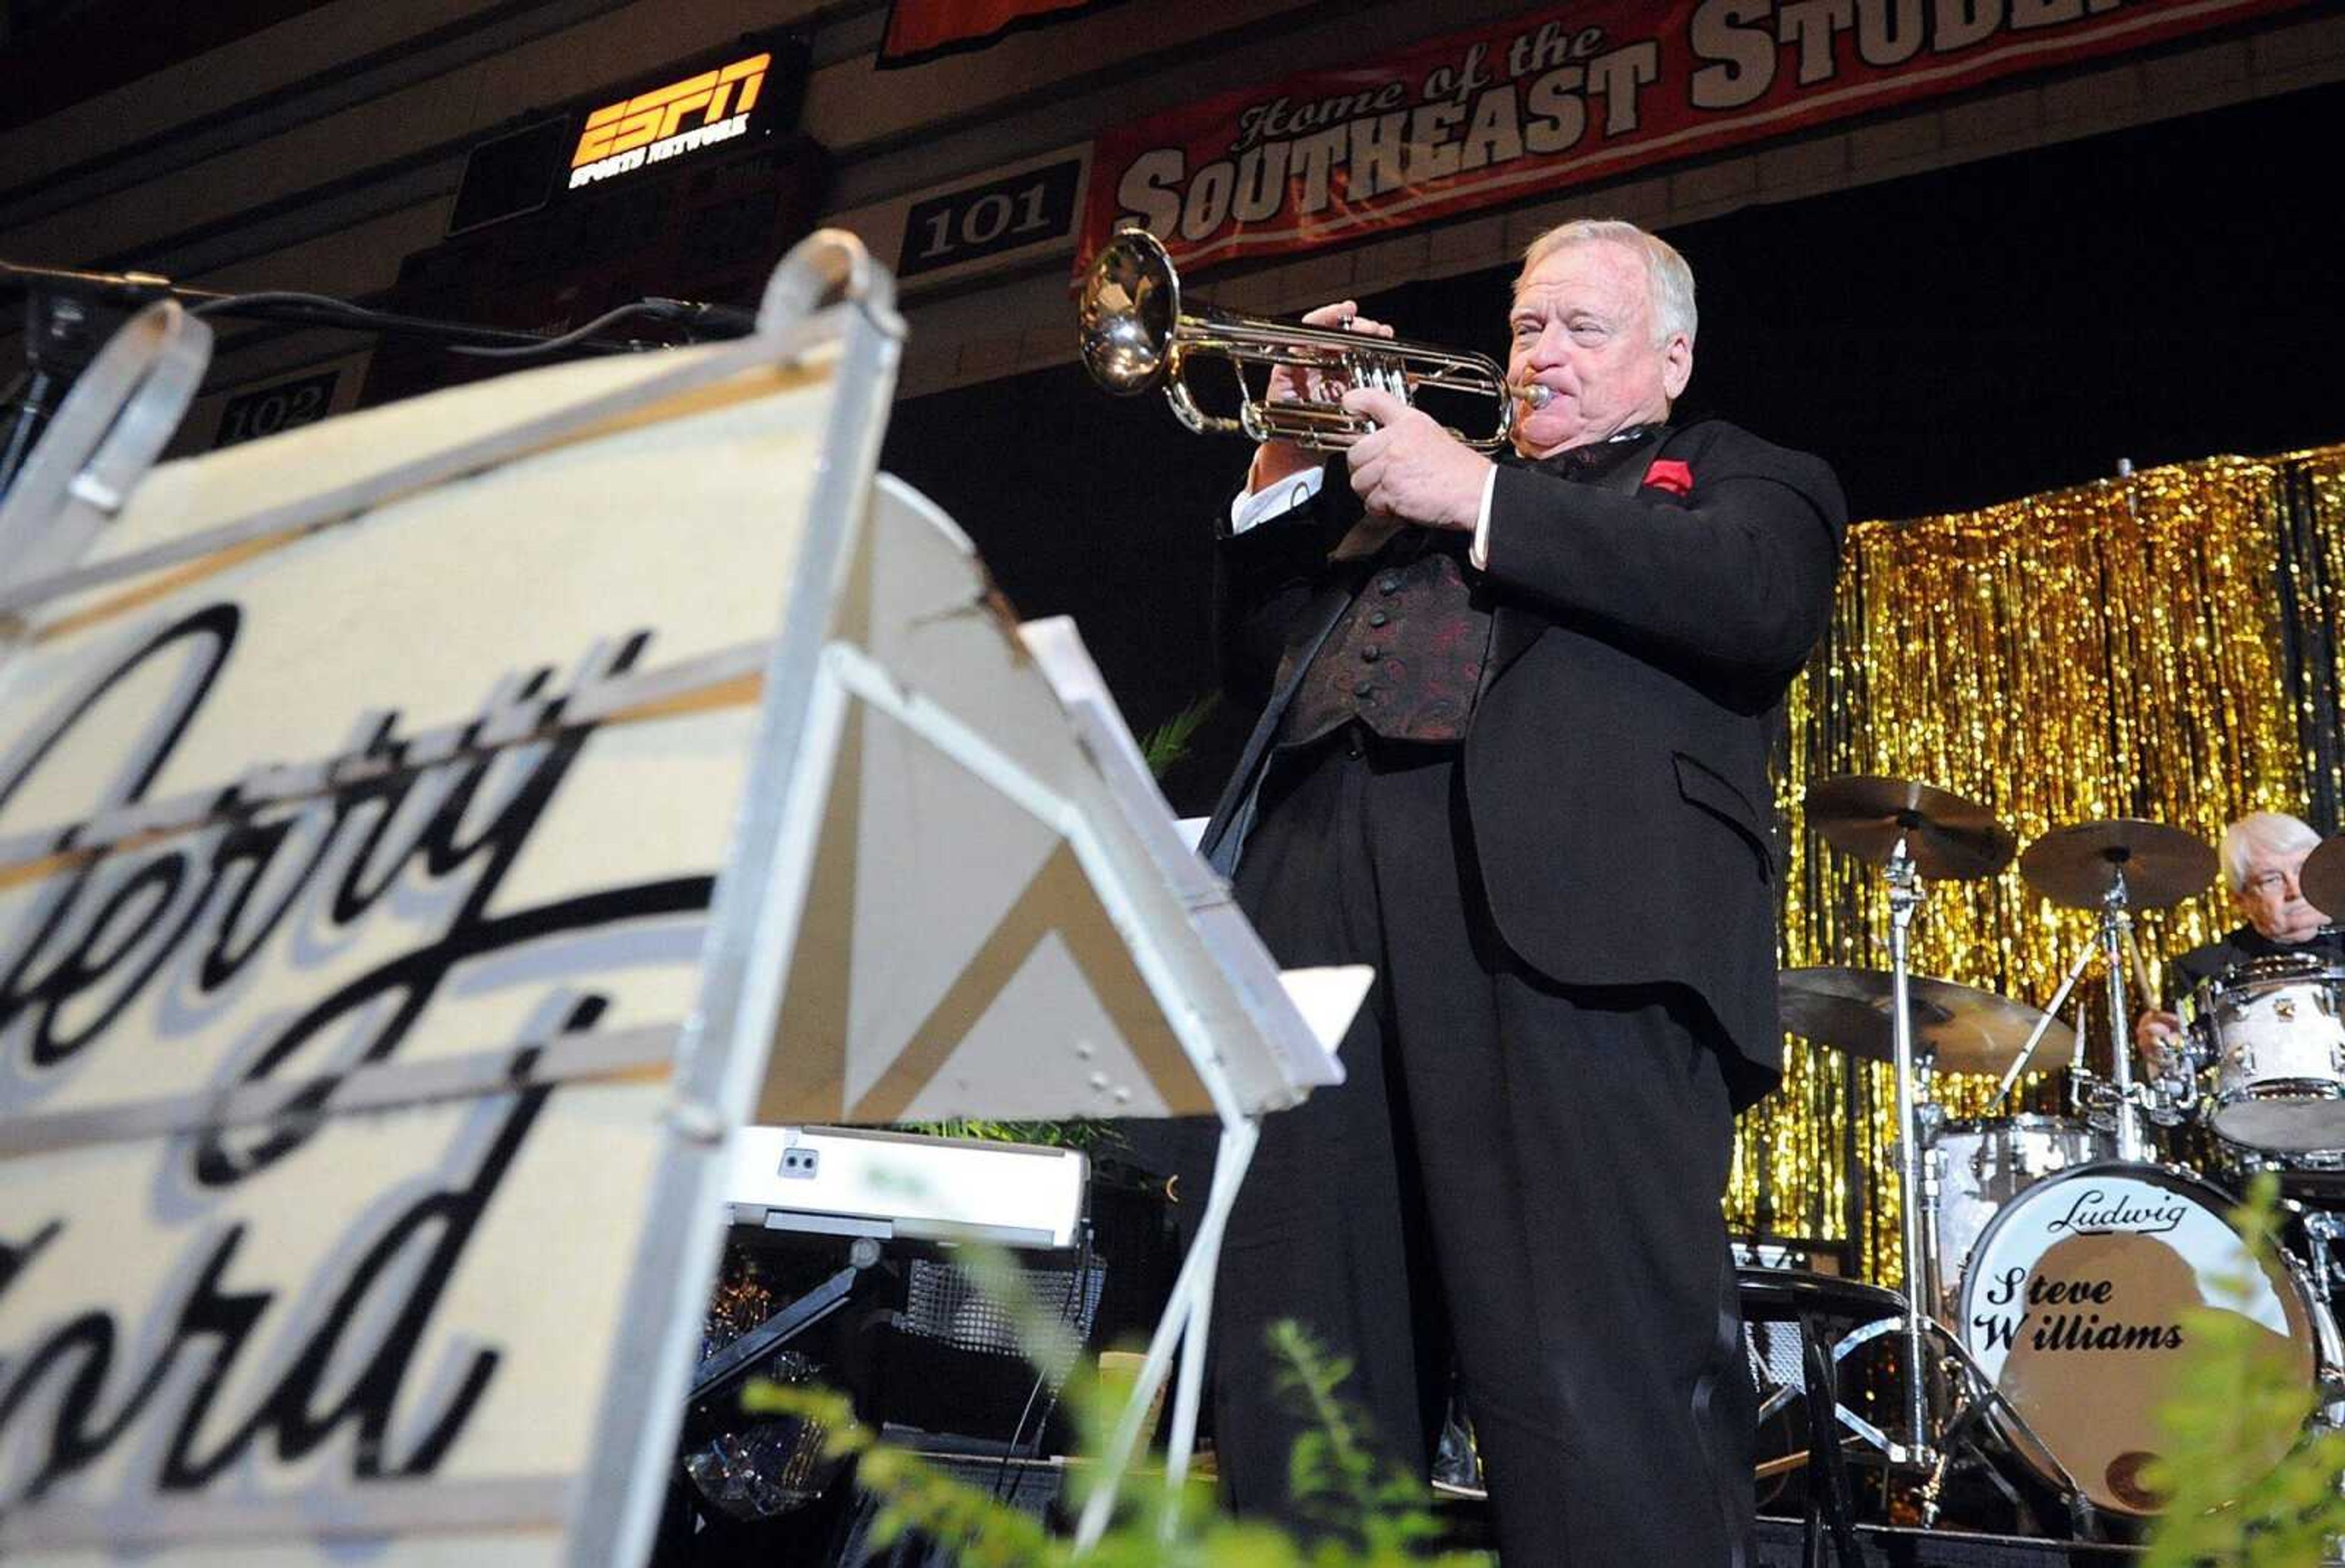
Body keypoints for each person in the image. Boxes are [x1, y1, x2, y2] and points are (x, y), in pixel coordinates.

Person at [1191, 218, 1847, 1564]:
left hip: (1571, 949)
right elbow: (1263, 650)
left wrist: (1478, 497)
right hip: (1315, 926)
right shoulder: (1409, 493)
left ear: (1671, 359)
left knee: (1592, 1381)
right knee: (1308, 1359)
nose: (1540, 352)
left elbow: (1755, 601)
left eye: (1580, 329)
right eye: (1527, 326)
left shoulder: (1742, 476)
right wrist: (1285, 462)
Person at [2134, 810, 2338, 1061]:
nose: (2295, 890)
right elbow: (2177, 1083)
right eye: (2272, 879)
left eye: (2303, 869)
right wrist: (2161, 1055)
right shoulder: (2200, 971)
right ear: (2240, 900)